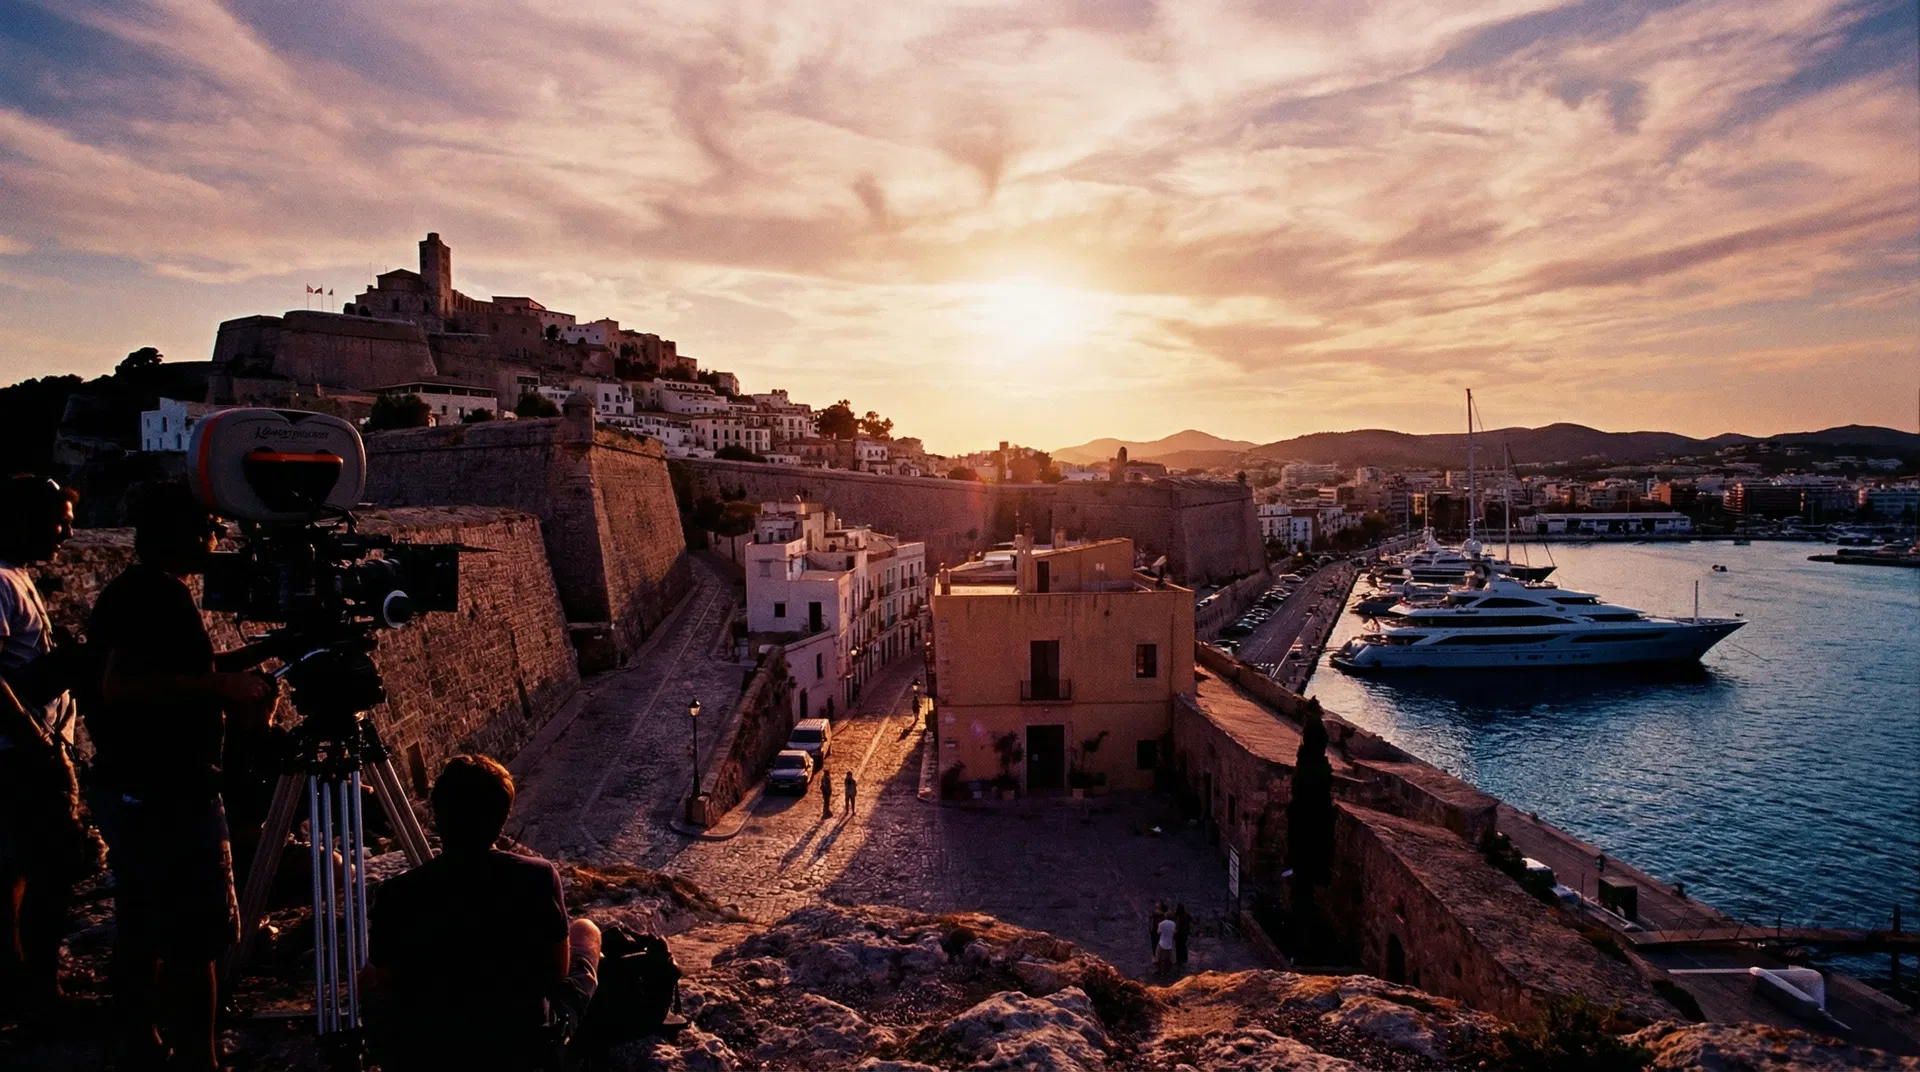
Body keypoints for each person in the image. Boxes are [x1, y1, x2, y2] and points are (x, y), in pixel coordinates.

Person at [85, 483, 279, 1071]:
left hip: (133, 785)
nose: (215, 542)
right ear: (178, 535)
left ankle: (141, 1042)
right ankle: (201, 1058)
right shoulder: (157, 596)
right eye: (207, 532)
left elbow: (167, 672)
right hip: (172, 792)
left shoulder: (134, 592)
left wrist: (243, 661)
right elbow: (121, 686)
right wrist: (224, 688)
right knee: (197, 940)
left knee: (140, 924)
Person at [368, 755, 601, 1071]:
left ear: (438, 815)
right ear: (502, 819)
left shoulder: (397, 893)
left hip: (431, 1049)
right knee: (586, 930)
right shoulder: (538, 876)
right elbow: (557, 972)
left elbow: (386, 982)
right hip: (523, 1046)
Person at [0, 476, 89, 1019]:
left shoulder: (17, 577)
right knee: (54, 869)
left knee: (21, 869)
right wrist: (36, 742)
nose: (67, 533)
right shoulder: (0, 582)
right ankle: (40, 991)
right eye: (60, 521)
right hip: (22, 756)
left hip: (28, 750)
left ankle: (20, 980)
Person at [1155, 911, 1177, 976]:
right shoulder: (1173, 923)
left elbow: (1158, 932)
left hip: (1162, 943)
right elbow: (1174, 932)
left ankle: (1160, 971)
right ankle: (1167, 971)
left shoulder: (1161, 923)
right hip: (1169, 944)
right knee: (1167, 958)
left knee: (1159, 957)